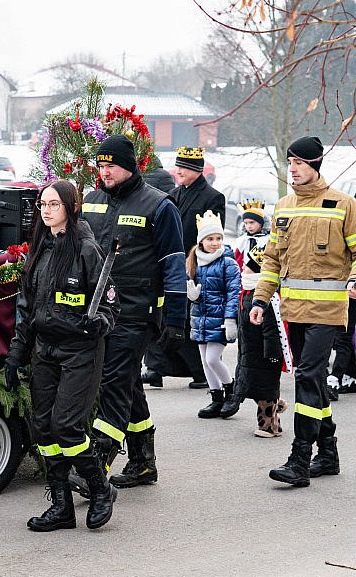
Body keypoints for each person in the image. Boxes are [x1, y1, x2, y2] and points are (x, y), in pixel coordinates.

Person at [250, 136, 356, 487]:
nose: (292, 169)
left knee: (306, 377)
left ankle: (300, 459)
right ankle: (329, 454)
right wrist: (261, 300)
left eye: (299, 163)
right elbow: (273, 260)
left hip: (328, 311)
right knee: (314, 380)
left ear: (315, 165)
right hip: (293, 310)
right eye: (289, 163)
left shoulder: (343, 205)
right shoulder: (284, 207)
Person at [5, 179, 118, 531]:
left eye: (53, 204)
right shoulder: (39, 249)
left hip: (80, 351)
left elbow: (112, 306)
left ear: (70, 206)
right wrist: (15, 354)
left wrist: (97, 322)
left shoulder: (87, 249)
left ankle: (99, 489)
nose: (46, 210)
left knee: (66, 427)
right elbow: (27, 308)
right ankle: (61, 506)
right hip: (45, 351)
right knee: (42, 429)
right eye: (42, 205)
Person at [79, 134, 188, 490]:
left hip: (136, 315)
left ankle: (93, 470)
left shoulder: (160, 206)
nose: (104, 171)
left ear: (129, 166)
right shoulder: (93, 200)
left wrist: (175, 319)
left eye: (110, 165)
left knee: (112, 383)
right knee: (126, 384)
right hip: (98, 312)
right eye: (100, 164)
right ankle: (143, 462)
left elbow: (174, 266)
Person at [142, 147, 224, 391]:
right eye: (177, 166)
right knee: (161, 315)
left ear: (197, 170)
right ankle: (156, 368)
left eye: (183, 167)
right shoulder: (174, 194)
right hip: (172, 264)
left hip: (195, 266)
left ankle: (199, 371)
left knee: (188, 321)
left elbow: (213, 238)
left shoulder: (212, 197)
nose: (178, 171)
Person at [231, 200, 288, 436]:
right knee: (254, 387)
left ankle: (268, 425)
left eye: (249, 268)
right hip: (250, 351)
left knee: (263, 387)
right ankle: (276, 409)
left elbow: (272, 331)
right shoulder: (244, 292)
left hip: (265, 355)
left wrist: (274, 355)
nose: (243, 270)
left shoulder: (265, 297)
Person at [185, 210, 241, 418]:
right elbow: (194, 289)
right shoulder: (194, 261)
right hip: (200, 318)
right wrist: (193, 296)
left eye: (218, 238)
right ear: (201, 241)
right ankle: (216, 397)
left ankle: (231, 391)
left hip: (220, 320)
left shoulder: (228, 263)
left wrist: (230, 319)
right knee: (205, 361)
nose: (215, 243)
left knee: (212, 359)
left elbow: (233, 292)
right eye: (210, 239)